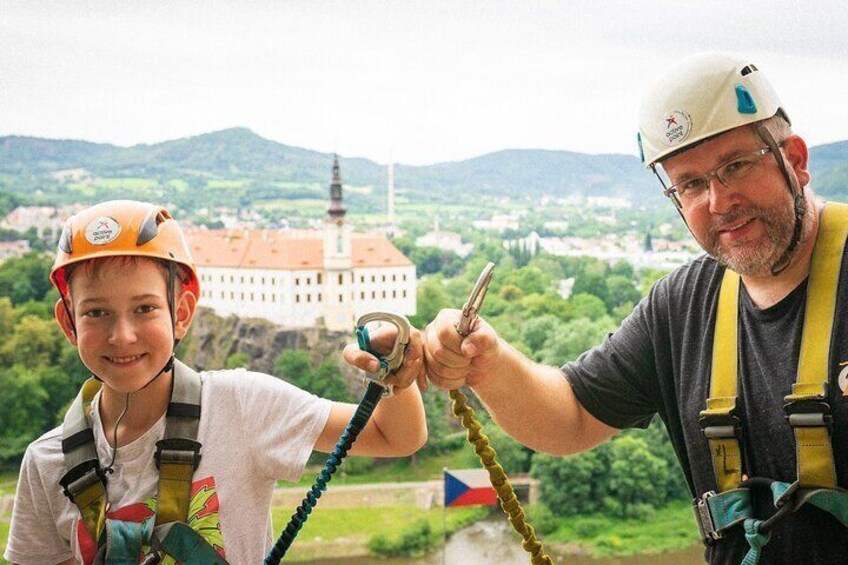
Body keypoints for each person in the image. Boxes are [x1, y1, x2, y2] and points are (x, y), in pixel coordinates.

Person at [345, 52, 848, 564]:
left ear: (796, 160)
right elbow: (571, 416)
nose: (718, 202)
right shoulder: (682, 307)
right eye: (691, 184)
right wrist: (487, 363)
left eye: (735, 166)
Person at [4, 200, 428, 565]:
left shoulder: (240, 406)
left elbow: (394, 436)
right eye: (96, 313)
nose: (123, 335)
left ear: (183, 313)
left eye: (145, 308)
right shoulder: (46, 464)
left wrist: (396, 374)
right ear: (68, 323)